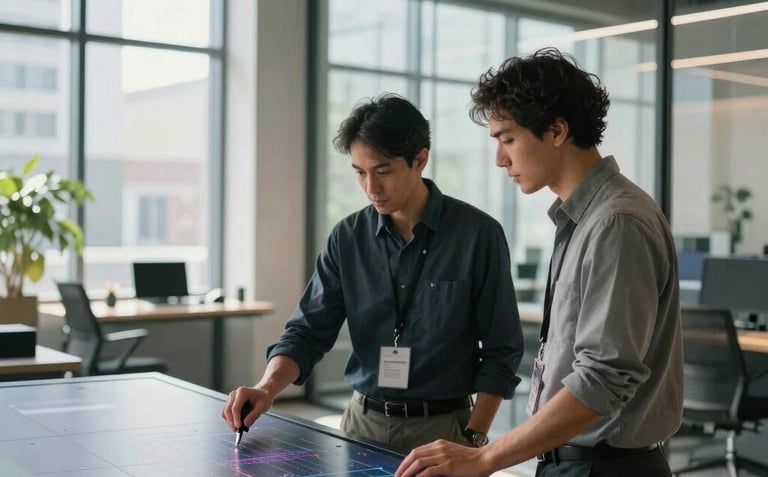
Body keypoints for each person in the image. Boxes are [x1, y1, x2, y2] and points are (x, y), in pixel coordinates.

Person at [396, 48, 683, 477]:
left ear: (557, 131)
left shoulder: (616, 222)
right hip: (574, 462)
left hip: (604, 468)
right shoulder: (582, 219)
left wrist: (485, 457)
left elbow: (602, 378)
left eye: (508, 139)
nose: (500, 159)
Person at [222, 93, 524, 452]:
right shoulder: (347, 237)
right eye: (360, 173)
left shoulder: (477, 234)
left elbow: (502, 349)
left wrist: (473, 439)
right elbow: (307, 331)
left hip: (445, 429)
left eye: (383, 172)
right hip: (361, 422)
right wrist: (266, 387)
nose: (371, 187)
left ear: (420, 160)